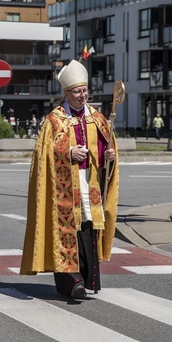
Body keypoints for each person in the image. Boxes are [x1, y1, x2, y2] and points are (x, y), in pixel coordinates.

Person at [20, 60, 119, 299]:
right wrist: (67, 153)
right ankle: (72, 279)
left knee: (87, 228)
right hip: (63, 186)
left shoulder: (97, 118)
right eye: (77, 91)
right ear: (67, 93)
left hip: (90, 182)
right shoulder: (55, 120)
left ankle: (84, 278)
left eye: (85, 90)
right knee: (67, 229)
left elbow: (107, 149)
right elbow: (42, 155)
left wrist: (110, 156)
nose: (82, 95)